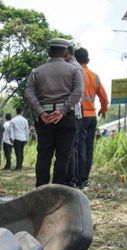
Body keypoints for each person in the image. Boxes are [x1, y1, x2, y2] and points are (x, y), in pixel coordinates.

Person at [24, 38, 83, 187]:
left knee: (44, 155)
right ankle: (58, 189)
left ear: (49, 52)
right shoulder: (74, 70)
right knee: (64, 156)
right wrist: (62, 110)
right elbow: (78, 92)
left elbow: (29, 93)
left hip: (45, 118)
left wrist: (41, 112)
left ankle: (42, 190)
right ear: (65, 52)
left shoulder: (36, 72)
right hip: (66, 117)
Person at [72, 47, 109, 189]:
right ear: (87, 60)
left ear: (75, 59)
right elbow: (104, 97)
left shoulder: (75, 73)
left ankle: (79, 179)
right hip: (92, 116)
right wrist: (103, 109)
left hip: (80, 115)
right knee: (88, 148)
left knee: (79, 148)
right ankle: (85, 179)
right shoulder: (94, 76)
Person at [5, 106, 29, 170]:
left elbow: (11, 130)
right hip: (23, 138)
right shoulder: (25, 120)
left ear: (16, 112)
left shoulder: (13, 120)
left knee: (17, 152)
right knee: (21, 152)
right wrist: (27, 138)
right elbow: (27, 130)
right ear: (22, 112)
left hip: (16, 138)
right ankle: (20, 166)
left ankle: (18, 166)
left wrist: (11, 138)